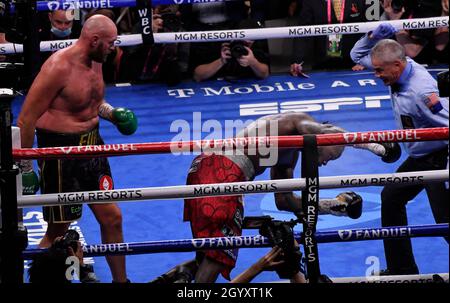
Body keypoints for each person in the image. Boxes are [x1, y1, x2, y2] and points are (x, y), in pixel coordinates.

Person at [180, 112, 401, 282]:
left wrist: (334, 206)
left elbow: (284, 200)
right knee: (218, 252)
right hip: (222, 170)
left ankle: (177, 277)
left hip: (214, 169)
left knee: (210, 248)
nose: (324, 163)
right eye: (330, 156)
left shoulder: (288, 150)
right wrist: (374, 145)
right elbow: (326, 132)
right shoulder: (298, 122)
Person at [17, 15, 138, 283]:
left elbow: (94, 101)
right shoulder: (58, 67)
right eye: (109, 42)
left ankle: (122, 282)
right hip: (60, 153)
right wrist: (26, 167)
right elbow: (26, 118)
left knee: (112, 218)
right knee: (59, 232)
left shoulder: (96, 60)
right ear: (94, 40)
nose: (113, 47)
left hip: (92, 146)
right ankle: (47, 281)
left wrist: (113, 114)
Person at [350, 24, 449, 275]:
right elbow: (355, 56)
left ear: (397, 65)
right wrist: (372, 37)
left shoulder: (422, 93)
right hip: (420, 155)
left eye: (380, 71)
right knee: (391, 197)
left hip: (439, 159)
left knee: (445, 223)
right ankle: (402, 269)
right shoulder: (395, 65)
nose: (376, 76)